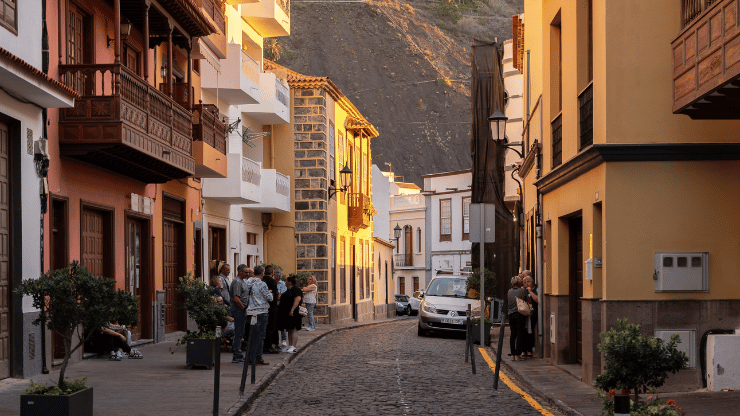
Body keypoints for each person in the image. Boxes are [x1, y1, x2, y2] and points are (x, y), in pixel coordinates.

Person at [246, 265, 273, 365]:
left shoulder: (247, 282)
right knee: (260, 336)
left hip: (250, 312)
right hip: (261, 312)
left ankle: (250, 357)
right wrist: (270, 293)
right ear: (262, 273)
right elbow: (270, 298)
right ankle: (258, 357)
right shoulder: (262, 284)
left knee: (251, 335)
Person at [230, 265, 250, 363]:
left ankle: (239, 353)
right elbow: (236, 298)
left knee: (241, 333)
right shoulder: (237, 282)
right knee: (238, 333)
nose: (248, 274)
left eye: (248, 272)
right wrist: (244, 308)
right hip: (239, 311)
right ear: (239, 271)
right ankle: (236, 355)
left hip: (242, 310)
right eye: (246, 272)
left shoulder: (243, 281)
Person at [278, 275, 302, 353]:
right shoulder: (288, 290)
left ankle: (293, 346)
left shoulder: (296, 290)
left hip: (293, 313)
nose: (285, 282)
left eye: (286, 281)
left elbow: (297, 300)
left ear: (289, 282)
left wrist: (292, 310)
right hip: (287, 314)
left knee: (294, 329)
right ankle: (290, 345)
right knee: (289, 329)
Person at [507, 275, 528, 361]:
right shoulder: (522, 290)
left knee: (513, 334)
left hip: (511, 314)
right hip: (519, 314)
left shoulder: (509, 291)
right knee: (520, 334)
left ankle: (512, 354)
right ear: (520, 282)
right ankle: (517, 354)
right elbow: (527, 300)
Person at [262, 265, 281, 354]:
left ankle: (265, 345)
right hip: (271, 307)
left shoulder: (262, 280)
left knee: (265, 327)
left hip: (263, 307)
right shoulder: (272, 281)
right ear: (272, 272)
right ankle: (268, 346)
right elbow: (274, 295)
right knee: (271, 327)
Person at [522, 275, 539, 358]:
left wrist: (531, 292)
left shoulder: (536, 289)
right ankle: (523, 351)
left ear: (532, 282)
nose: (527, 284)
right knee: (524, 332)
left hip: (533, 314)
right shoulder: (523, 290)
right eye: (525, 282)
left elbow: (537, 300)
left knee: (530, 331)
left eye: (528, 282)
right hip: (525, 314)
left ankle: (529, 350)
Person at [275, 271, 288, 347]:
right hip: (274, 305)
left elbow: (283, 293)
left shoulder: (282, 283)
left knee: (282, 322)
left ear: (278, 276)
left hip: (281, 305)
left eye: (275, 275)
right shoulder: (273, 282)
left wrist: (279, 295)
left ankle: (283, 340)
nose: (274, 276)